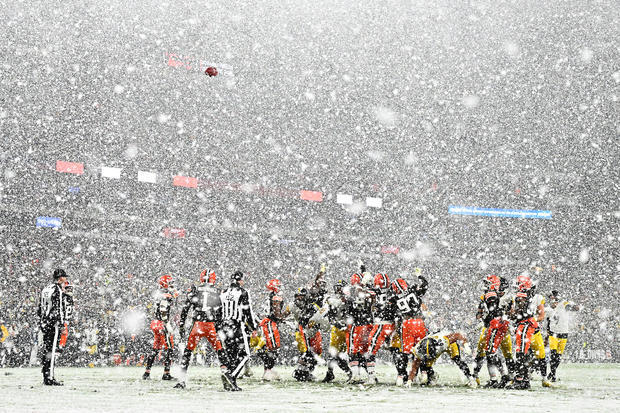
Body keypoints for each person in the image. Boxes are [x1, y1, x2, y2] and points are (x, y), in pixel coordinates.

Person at [175, 269, 230, 389]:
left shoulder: (195, 290)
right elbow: (220, 312)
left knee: (188, 351)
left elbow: (186, 308)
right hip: (210, 325)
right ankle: (226, 374)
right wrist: (219, 327)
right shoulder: (216, 292)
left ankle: (181, 380)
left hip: (197, 325)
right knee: (220, 351)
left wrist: (182, 324)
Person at [508, 274, 551, 389]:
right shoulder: (516, 297)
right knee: (522, 354)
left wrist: (532, 320)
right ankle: (523, 379)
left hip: (533, 330)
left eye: (518, 285)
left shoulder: (537, 297)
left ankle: (544, 378)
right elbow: (513, 314)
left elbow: (541, 315)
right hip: (523, 327)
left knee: (540, 354)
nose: (516, 287)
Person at [220, 270, 260, 391]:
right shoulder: (242, 292)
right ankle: (231, 376)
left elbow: (218, 311)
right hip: (236, 326)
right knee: (245, 355)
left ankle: (231, 381)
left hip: (224, 327)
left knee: (231, 354)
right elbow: (248, 311)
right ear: (239, 280)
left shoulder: (223, 292)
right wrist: (253, 328)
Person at [406, 331, 476, 387]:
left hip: (449, 345)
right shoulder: (418, 350)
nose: (429, 358)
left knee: (457, 360)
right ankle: (432, 376)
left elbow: (458, 335)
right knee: (425, 364)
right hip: (434, 346)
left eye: (431, 355)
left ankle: (470, 378)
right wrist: (409, 380)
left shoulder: (443, 341)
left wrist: (465, 344)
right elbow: (414, 368)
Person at [142, 274, 178, 381]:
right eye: (170, 282)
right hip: (162, 323)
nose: (171, 284)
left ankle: (147, 372)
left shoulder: (158, 293)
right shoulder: (166, 294)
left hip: (155, 322)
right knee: (169, 348)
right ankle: (166, 373)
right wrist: (166, 323)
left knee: (156, 348)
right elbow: (163, 308)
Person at [394, 274, 428, 385]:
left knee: (404, 352)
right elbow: (424, 286)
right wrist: (420, 276)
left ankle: (400, 376)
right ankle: (423, 373)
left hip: (407, 323)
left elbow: (394, 314)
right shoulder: (412, 290)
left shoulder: (394, 298)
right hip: (419, 322)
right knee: (420, 350)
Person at [37, 268, 68, 385]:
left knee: (47, 349)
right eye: (64, 277)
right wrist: (61, 324)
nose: (65, 280)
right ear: (60, 278)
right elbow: (58, 308)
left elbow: (39, 308)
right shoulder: (57, 289)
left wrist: (42, 321)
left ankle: (45, 374)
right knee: (52, 350)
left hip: (45, 322)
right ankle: (49, 377)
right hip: (52, 324)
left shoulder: (46, 289)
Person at [346, 269, 376, 384]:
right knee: (368, 352)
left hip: (356, 325)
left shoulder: (352, 291)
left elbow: (348, 301)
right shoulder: (371, 291)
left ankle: (356, 376)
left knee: (353, 352)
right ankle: (371, 377)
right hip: (369, 325)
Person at [320, 279, 352, 383]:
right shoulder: (331, 299)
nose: (338, 289)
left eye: (340, 287)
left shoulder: (351, 299)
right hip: (337, 329)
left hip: (349, 329)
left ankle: (355, 373)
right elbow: (327, 312)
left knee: (354, 354)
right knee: (333, 354)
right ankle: (331, 373)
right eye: (337, 287)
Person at [258, 278, 289, 381]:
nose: (280, 288)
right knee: (272, 348)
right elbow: (276, 312)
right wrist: (283, 317)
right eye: (278, 286)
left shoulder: (270, 296)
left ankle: (267, 370)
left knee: (268, 347)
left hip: (266, 322)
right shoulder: (275, 297)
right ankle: (268, 371)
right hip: (270, 323)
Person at [545, 290, 580, 382]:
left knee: (558, 356)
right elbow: (548, 322)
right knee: (553, 354)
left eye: (554, 298)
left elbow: (572, 307)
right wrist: (547, 334)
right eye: (551, 298)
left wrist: (574, 307)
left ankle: (552, 373)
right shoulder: (548, 309)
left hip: (564, 332)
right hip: (553, 333)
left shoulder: (563, 303)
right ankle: (553, 375)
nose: (553, 301)